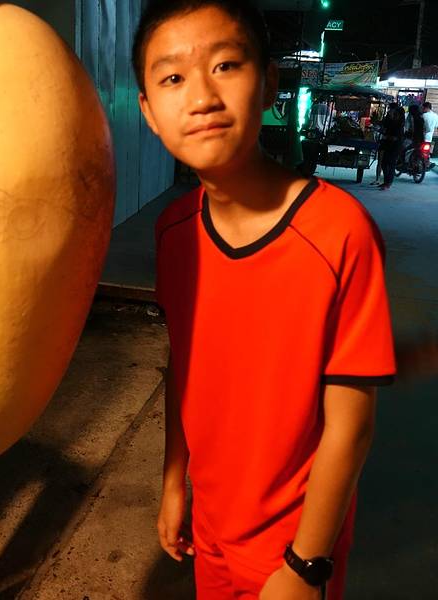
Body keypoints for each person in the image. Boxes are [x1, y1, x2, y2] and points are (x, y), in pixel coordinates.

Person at [132, 1, 396, 599]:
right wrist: (174, 483)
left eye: (225, 65)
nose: (201, 97)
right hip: (211, 529)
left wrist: (306, 566)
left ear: (270, 81)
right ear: (148, 111)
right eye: (172, 77)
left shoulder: (339, 232)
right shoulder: (175, 232)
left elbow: (351, 424)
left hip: (294, 543)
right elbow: (184, 368)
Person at [378, 103, 404, 190]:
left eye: (395, 113)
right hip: (389, 145)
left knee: (390, 164)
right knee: (384, 163)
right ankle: (386, 182)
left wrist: (387, 137)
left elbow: (395, 137)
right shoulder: (392, 121)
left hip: (395, 147)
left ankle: (388, 183)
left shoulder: (399, 124)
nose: (393, 114)